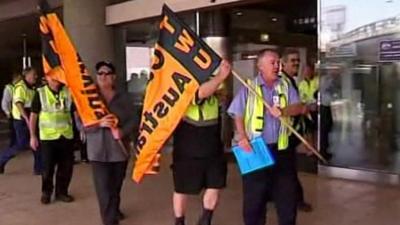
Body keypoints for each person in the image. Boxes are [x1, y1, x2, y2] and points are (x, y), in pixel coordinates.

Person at [228, 49, 309, 225]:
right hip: (256, 149)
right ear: (260, 66)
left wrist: (282, 111)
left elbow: (299, 108)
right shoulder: (249, 88)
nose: (276, 66)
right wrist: (242, 136)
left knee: (287, 198)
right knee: (255, 200)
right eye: (272, 62)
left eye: (278, 62)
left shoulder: (285, 86)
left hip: (282, 151)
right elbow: (237, 113)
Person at [172, 60, 231, 225]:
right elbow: (199, 94)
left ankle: (205, 220)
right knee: (182, 187)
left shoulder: (213, 91)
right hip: (188, 147)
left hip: (212, 146)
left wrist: (220, 88)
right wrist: (220, 77)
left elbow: (217, 92)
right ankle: (179, 221)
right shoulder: (185, 86)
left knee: (215, 184)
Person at [84, 61, 136, 225]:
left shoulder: (124, 98)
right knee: (103, 190)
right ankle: (109, 220)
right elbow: (80, 123)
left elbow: (134, 120)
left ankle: (114, 209)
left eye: (107, 73)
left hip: (119, 151)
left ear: (113, 77)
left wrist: (122, 131)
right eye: (100, 73)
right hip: (97, 151)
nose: (103, 76)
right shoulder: (88, 99)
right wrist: (98, 124)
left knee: (115, 187)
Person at [29, 76, 76, 204]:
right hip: (48, 138)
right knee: (47, 167)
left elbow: (74, 112)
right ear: (47, 79)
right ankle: (46, 192)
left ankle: (62, 192)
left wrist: (81, 129)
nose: (56, 80)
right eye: (52, 78)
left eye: (58, 77)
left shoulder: (68, 92)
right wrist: (32, 136)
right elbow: (33, 116)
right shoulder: (40, 93)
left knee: (66, 167)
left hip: (66, 135)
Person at [280, 49, 313, 212]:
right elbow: (279, 109)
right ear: (283, 63)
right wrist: (300, 108)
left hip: (290, 133)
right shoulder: (281, 82)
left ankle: (293, 198)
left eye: (298, 61)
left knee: (287, 170)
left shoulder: (292, 81)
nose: (296, 63)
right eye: (292, 60)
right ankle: (294, 200)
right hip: (281, 135)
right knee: (287, 171)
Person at [0, 67, 41, 174]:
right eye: (34, 74)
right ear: (27, 75)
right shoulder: (20, 87)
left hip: (28, 119)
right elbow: (19, 104)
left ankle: (39, 168)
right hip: (21, 121)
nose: (36, 76)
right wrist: (27, 119)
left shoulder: (31, 88)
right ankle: (1, 160)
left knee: (36, 143)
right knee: (20, 145)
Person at [1, 72, 22, 148]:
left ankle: (17, 145)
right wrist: (7, 112)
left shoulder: (19, 87)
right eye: (20, 78)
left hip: (18, 113)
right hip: (12, 113)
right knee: (13, 131)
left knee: (17, 131)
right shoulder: (9, 88)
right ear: (16, 78)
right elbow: (5, 102)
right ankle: (13, 146)